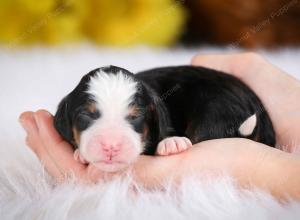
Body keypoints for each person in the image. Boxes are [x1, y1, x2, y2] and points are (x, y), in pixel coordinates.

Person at [19, 53, 300, 201]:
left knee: (211, 122)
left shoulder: (158, 113)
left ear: (153, 118)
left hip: (213, 97)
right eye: (88, 118)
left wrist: (251, 162)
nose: (111, 142)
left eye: (133, 118)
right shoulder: (143, 100)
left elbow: (159, 134)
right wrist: (78, 145)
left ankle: (246, 133)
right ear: (67, 119)